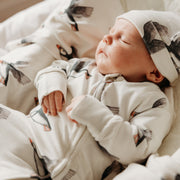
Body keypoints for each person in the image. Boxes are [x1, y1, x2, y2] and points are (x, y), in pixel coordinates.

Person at [0, 10, 179, 180]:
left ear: (155, 72)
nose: (106, 38)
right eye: (110, 32)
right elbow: (54, 69)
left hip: (75, 172)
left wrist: (96, 116)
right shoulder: (82, 66)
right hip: (28, 137)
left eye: (122, 40)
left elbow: (138, 148)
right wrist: (52, 85)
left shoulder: (153, 102)